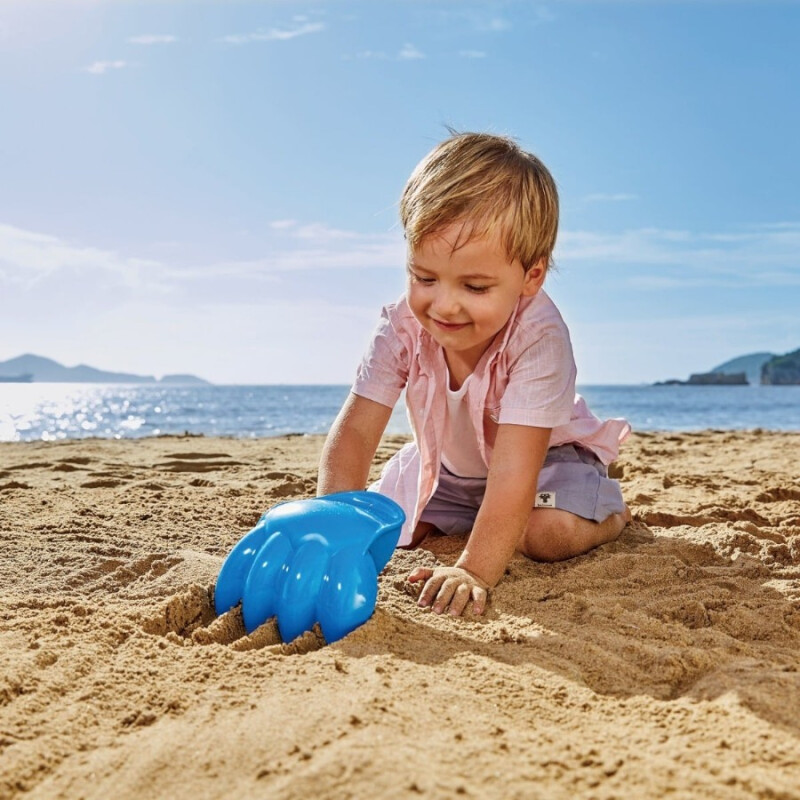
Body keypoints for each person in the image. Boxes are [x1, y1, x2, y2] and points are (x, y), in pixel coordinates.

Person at [317, 131, 631, 618]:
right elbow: (356, 433)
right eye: (424, 278)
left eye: (476, 285)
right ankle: (467, 517)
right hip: (449, 468)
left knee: (541, 534)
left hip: (541, 462)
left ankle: (608, 512)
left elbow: (513, 474)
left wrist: (473, 570)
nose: (443, 305)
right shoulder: (400, 326)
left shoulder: (540, 340)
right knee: (387, 530)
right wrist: (331, 538)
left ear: (531, 276)